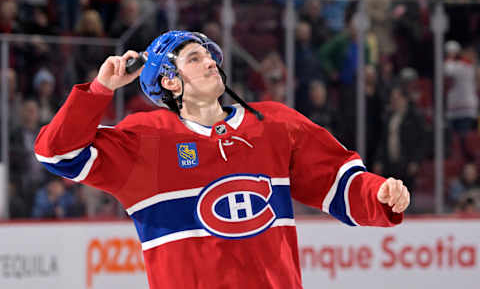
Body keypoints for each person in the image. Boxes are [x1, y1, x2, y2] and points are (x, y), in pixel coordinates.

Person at [35, 30, 410, 289]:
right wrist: (100, 90)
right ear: (169, 81)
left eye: (211, 57)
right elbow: (56, 152)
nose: (211, 63)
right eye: (195, 58)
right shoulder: (145, 140)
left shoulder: (274, 124)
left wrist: (378, 193)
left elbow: (341, 182)